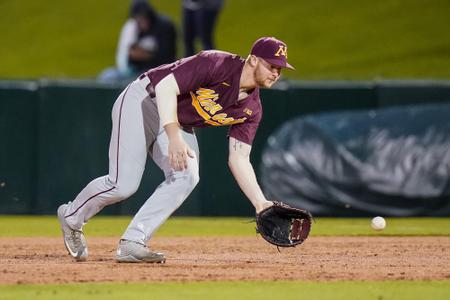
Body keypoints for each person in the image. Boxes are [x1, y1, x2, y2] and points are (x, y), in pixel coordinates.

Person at [58, 37, 294, 263]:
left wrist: (260, 202)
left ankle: (133, 241)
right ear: (253, 59)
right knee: (123, 185)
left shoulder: (252, 109)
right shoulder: (217, 63)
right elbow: (165, 87)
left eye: (280, 69)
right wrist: (173, 136)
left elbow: (239, 158)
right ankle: (71, 217)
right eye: (271, 65)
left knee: (187, 176)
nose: (276, 73)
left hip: (176, 121)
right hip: (143, 99)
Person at [98, 0, 177, 82]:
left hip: (157, 73)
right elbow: (128, 57)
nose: (140, 21)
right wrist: (133, 56)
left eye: (142, 18)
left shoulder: (164, 26)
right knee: (107, 76)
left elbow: (165, 57)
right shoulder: (134, 28)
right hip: (137, 70)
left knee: (133, 82)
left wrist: (144, 55)